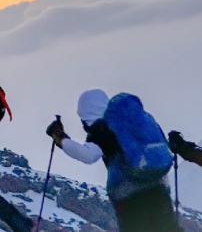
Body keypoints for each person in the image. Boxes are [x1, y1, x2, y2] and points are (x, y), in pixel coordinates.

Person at [46, 89, 182, 232]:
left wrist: (60, 138)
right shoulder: (137, 120)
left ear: (87, 114)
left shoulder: (102, 128)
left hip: (130, 196)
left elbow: (88, 155)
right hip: (159, 188)